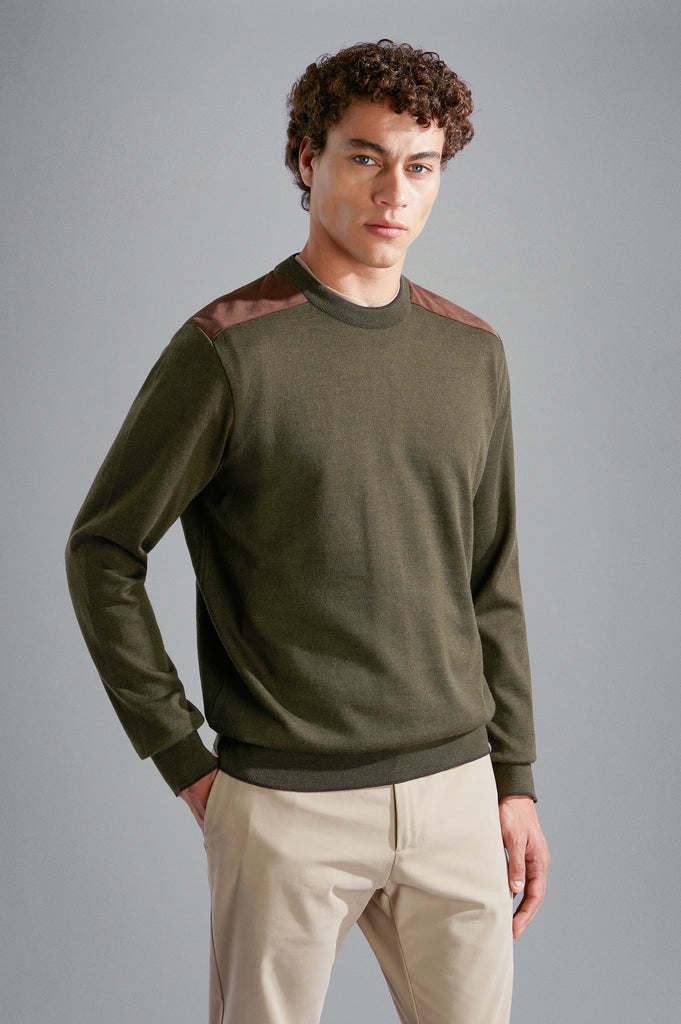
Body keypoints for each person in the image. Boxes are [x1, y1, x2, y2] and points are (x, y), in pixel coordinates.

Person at [66, 39, 549, 1024]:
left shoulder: (472, 353)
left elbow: (490, 576)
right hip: (285, 801)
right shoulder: (227, 349)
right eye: (365, 157)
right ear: (307, 158)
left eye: (421, 166)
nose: (394, 192)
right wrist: (183, 757)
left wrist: (514, 779)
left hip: (457, 792)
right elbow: (103, 551)